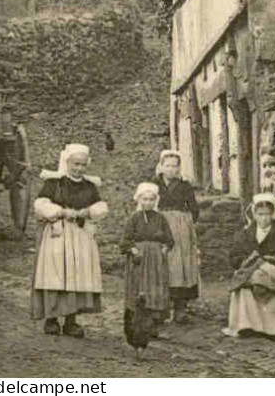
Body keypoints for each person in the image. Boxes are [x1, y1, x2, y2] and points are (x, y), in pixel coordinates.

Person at [31, 142, 108, 337]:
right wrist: (61, 211)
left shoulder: (89, 186)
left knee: (76, 274)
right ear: (67, 163)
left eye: (83, 165)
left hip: (80, 235)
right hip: (58, 234)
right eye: (75, 164)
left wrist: (87, 211)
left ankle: (71, 321)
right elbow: (40, 203)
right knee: (56, 273)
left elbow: (100, 206)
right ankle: (51, 320)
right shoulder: (54, 183)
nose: (79, 168)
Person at [224, 193, 275, 339]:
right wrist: (249, 263)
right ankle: (246, 325)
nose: (264, 218)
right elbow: (234, 255)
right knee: (246, 283)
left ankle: (274, 328)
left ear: (273, 214)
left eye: (267, 214)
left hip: (272, 270)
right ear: (254, 214)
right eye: (260, 214)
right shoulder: (245, 233)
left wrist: (269, 262)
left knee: (267, 280)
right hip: (250, 269)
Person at [120, 182, 175, 345]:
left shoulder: (160, 218)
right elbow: (124, 241)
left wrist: (165, 248)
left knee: (156, 291)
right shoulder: (134, 218)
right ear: (139, 199)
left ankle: (154, 326)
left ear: (156, 200)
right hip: (139, 260)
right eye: (145, 199)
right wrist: (133, 249)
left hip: (157, 261)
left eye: (151, 199)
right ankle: (137, 326)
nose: (148, 202)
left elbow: (169, 239)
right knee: (139, 292)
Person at [153, 149, 200, 324]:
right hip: (159, 226)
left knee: (181, 265)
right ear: (161, 167)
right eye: (168, 165)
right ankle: (160, 307)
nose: (171, 169)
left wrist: (185, 224)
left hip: (181, 230)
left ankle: (180, 307)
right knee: (163, 264)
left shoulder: (185, 186)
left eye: (175, 166)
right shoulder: (154, 185)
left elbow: (194, 209)